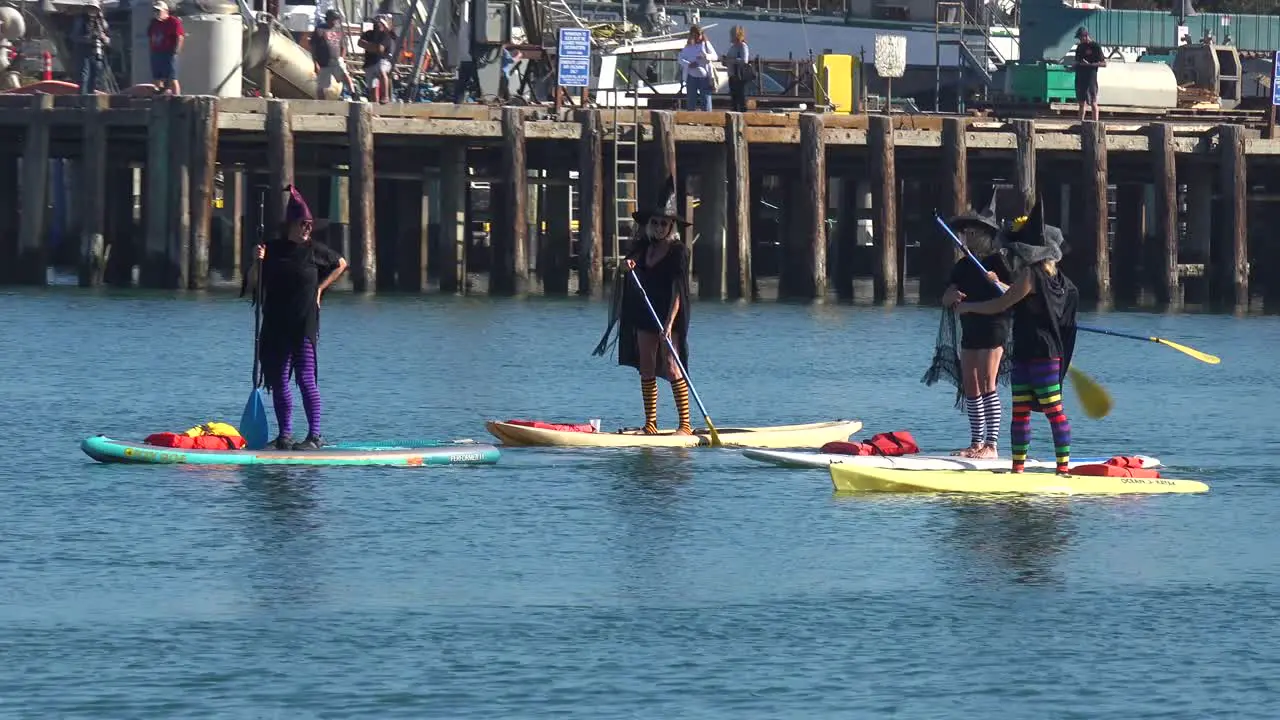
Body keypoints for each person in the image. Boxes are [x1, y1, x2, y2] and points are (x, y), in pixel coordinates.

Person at [951, 200, 1078, 475]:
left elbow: (1002, 304)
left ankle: (1063, 470)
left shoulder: (1031, 276)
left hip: (1042, 352)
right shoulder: (1056, 279)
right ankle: (1018, 469)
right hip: (1027, 350)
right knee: (1022, 410)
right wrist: (998, 284)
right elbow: (1014, 296)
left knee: (1052, 410)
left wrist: (970, 306)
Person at [244, 186, 348, 450]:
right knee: (278, 379)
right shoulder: (271, 249)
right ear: (291, 225)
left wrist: (320, 290)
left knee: (305, 378)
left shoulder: (316, 250)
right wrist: (257, 262)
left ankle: (315, 436)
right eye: (303, 224)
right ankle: (285, 436)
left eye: (310, 225)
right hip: (276, 323)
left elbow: (341, 264)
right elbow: (254, 283)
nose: (307, 229)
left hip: (304, 322)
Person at [592, 177, 693, 435]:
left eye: (664, 223)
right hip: (644, 313)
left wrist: (669, 324)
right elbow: (628, 264)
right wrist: (627, 267)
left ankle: (686, 425)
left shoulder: (679, 251)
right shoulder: (642, 247)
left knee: (671, 366)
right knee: (646, 365)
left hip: (670, 313)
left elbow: (679, 291)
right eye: (655, 223)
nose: (659, 227)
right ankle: (651, 424)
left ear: (672, 226)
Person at [936, 192, 1013, 459]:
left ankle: (992, 445)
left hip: (994, 326)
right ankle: (976, 442)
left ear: (984, 235)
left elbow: (1013, 293)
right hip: (970, 327)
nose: (966, 238)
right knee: (970, 384)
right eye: (965, 233)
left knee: (986, 381)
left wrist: (996, 281)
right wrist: (951, 297)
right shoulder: (963, 265)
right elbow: (946, 296)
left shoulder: (998, 261)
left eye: (971, 233)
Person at [311, 9, 354, 100]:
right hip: (324, 61)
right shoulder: (320, 29)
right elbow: (313, 46)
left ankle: (353, 94)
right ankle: (322, 106)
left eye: (336, 19)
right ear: (328, 19)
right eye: (333, 19)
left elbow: (343, 45)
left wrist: (342, 57)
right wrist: (315, 62)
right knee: (321, 86)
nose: (335, 21)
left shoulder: (339, 29)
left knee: (345, 75)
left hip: (336, 60)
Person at [147, 1, 184, 95]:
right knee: (157, 78)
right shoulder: (153, 23)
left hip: (168, 53)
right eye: (154, 11)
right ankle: (159, 97)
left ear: (165, 11)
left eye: (158, 11)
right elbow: (150, 35)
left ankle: (176, 98)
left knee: (172, 78)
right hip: (156, 53)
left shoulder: (173, 21)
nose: (156, 13)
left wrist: (175, 52)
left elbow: (179, 37)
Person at [678, 25, 717, 112]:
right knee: (691, 98)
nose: (698, 37)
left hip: (705, 77)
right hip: (691, 76)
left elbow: (715, 56)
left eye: (699, 35)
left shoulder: (706, 44)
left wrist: (706, 56)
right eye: (695, 35)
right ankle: (691, 118)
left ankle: (707, 119)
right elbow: (680, 58)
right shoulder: (688, 46)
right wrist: (688, 64)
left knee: (706, 99)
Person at [73, 5, 109, 95]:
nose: (92, 12)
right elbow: (74, 36)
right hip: (84, 51)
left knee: (96, 76)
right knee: (84, 76)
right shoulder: (81, 21)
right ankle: (82, 99)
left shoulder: (101, 22)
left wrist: (103, 38)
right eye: (90, 9)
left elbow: (108, 39)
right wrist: (88, 39)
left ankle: (92, 97)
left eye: (94, 10)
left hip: (97, 52)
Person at [359, 15, 395, 103]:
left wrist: (369, 46)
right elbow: (360, 43)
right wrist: (374, 47)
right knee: (372, 88)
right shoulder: (368, 33)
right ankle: (375, 110)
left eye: (380, 23)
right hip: (370, 63)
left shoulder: (386, 35)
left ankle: (385, 96)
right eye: (376, 22)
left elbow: (380, 49)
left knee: (381, 69)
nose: (377, 24)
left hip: (383, 61)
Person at [1073, 27, 1105, 123]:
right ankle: (1080, 123)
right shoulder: (1080, 47)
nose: (1080, 40)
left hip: (1091, 77)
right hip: (1080, 76)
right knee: (1081, 103)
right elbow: (1077, 61)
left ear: (1086, 36)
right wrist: (1074, 66)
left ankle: (1095, 123)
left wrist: (1090, 65)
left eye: (1081, 38)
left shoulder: (1095, 46)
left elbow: (1103, 63)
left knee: (1093, 102)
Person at [722, 25, 752, 113]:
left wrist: (731, 60)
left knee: (741, 98)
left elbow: (744, 60)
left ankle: (743, 116)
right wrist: (725, 60)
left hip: (739, 75)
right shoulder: (733, 46)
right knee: (734, 98)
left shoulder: (743, 46)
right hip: (732, 74)